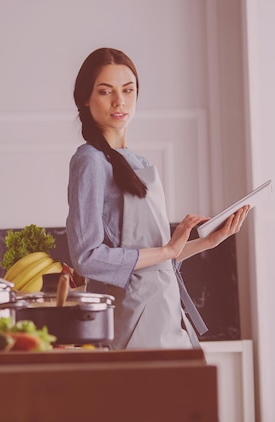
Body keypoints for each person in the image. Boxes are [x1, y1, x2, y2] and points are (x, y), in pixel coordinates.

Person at [65, 47, 250, 350]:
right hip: (131, 317)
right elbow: (87, 258)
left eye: (128, 90)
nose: (119, 101)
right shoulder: (90, 161)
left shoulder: (137, 161)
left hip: (165, 307)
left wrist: (207, 243)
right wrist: (167, 250)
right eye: (105, 91)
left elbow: (155, 259)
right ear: (85, 98)